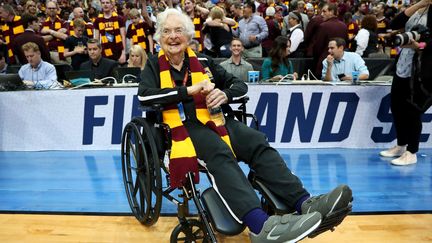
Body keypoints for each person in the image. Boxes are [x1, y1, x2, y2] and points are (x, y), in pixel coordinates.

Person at [138, 9, 353, 242]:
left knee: (255, 140)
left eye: (178, 30)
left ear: (189, 36)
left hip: (215, 120)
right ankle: (261, 226)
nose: (172, 36)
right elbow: (145, 97)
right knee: (218, 151)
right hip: (180, 129)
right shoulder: (153, 64)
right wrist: (187, 91)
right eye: (167, 31)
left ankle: (305, 203)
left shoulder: (202, 61)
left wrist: (224, 94)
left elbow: (239, 86)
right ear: (159, 37)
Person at [379, 0, 432, 166]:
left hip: (422, 69)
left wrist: (421, 45)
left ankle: (412, 151)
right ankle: (401, 145)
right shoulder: (418, 9)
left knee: (412, 110)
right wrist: (419, 4)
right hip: (403, 65)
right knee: (397, 106)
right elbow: (395, 23)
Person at [312, 3, 348, 78]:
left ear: (331, 12)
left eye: (324, 11)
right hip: (341, 63)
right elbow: (345, 44)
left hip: (325, 62)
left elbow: (318, 47)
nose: (322, 14)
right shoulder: (344, 26)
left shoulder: (323, 26)